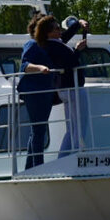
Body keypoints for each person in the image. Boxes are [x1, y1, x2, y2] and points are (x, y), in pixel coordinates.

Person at [38, 15, 90, 157]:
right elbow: (69, 64)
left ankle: (64, 158)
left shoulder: (53, 44)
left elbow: (66, 36)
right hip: (73, 89)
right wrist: (77, 49)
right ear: (49, 32)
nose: (60, 30)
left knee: (72, 129)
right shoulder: (54, 46)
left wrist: (78, 23)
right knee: (79, 127)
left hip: (66, 89)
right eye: (57, 28)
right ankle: (75, 157)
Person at [17, 14, 54, 169]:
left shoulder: (47, 45)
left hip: (45, 90)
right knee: (38, 130)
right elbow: (24, 65)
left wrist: (77, 25)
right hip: (34, 91)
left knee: (37, 130)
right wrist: (40, 68)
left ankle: (30, 167)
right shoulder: (32, 44)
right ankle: (38, 167)